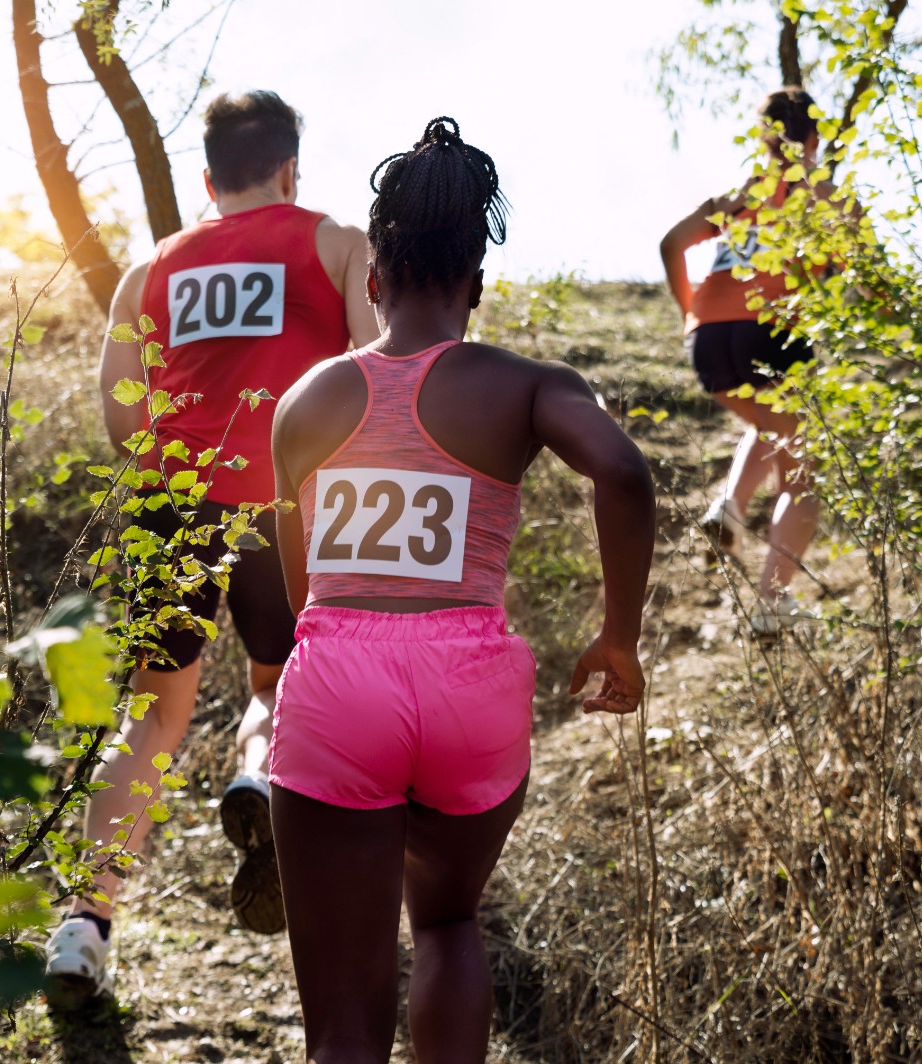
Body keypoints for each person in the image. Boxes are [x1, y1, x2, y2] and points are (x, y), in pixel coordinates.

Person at [268, 117, 655, 1062]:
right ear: (475, 288)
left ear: (373, 281)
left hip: (340, 683)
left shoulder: (306, 401)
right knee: (446, 927)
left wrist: (326, 653)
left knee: (343, 1034)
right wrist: (617, 639)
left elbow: (300, 572)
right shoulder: (522, 385)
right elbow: (623, 472)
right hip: (469, 688)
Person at [45, 89, 379, 1006]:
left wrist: (181, 463)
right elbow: (380, 369)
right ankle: (257, 776)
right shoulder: (338, 243)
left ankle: (83, 928)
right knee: (274, 682)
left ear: (205, 178)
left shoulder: (150, 267)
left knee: (153, 715)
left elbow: (119, 416)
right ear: (288, 167)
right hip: (287, 500)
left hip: (171, 504)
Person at [660, 87, 843, 633]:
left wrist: (690, 311)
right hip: (771, 333)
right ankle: (770, 604)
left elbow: (671, 244)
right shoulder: (821, 192)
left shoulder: (738, 197)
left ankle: (730, 511)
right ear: (812, 139)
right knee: (801, 474)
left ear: (763, 138)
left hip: (709, 341)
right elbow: (852, 272)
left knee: (772, 425)